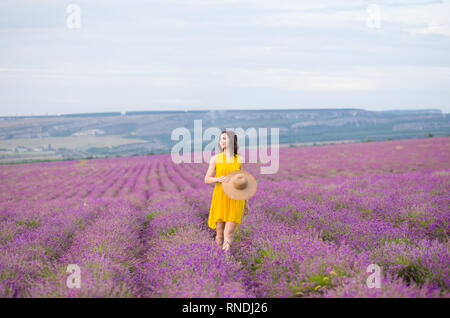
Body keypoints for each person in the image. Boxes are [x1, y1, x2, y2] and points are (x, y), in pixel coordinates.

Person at [204, 130, 250, 253]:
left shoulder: (239, 160)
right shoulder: (215, 159)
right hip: (220, 198)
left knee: (228, 232)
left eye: (225, 138)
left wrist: (246, 203)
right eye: (221, 139)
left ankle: (226, 260)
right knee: (219, 235)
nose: (222, 141)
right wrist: (217, 179)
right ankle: (218, 260)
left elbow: (243, 183)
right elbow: (206, 179)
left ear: (232, 141)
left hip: (236, 199)